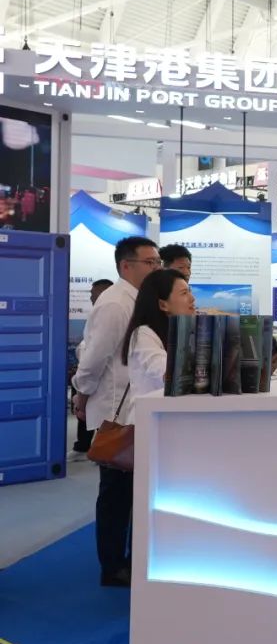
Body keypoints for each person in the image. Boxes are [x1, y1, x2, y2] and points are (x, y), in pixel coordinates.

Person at [72, 236, 161, 587]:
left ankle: (127, 559)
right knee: (115, 494)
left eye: (157, 262)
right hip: (116, 412)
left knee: (129, 493)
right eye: (150, 262)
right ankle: (111, 566)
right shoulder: (114, 303)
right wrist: (81, 392)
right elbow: (94, 357)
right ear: (126, 266)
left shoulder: (138, 299)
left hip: (134, 408)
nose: (156, 268)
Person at [121, 269, 196, 402]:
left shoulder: (185, 332)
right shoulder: (144, 335)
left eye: (190, 291)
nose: (192, 298)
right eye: (184, 293)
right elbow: (165, 371)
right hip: (150, 413)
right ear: (163, 304)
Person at [70, 279, 116, 460]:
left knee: (100, 415)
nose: (90, 297)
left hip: (100, 376)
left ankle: (102, 451)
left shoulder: (112, 314)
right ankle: (84, 447)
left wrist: (82, 395)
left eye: (93, 293)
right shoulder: (97, 313)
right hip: (89, 374)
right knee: (87, 414)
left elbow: (96, 352)